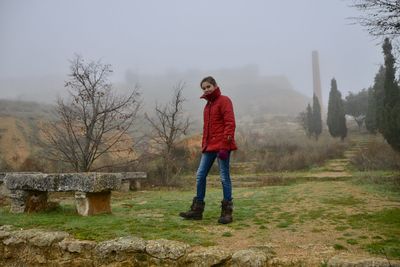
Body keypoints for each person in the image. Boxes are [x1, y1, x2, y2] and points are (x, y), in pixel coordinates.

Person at [179, 76, 237, 224]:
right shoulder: (207, 106)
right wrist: (204, 146)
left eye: (208, 87)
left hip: (222, 146)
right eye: (203, 88)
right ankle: (197, 210)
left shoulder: (225, 100)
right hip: (209, 147)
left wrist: (225, 146)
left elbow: (230, 124)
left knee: (224, 177)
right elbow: (207, 129)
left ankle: (227, 213)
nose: (206, 90)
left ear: (215, 86)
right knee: (200, 175)